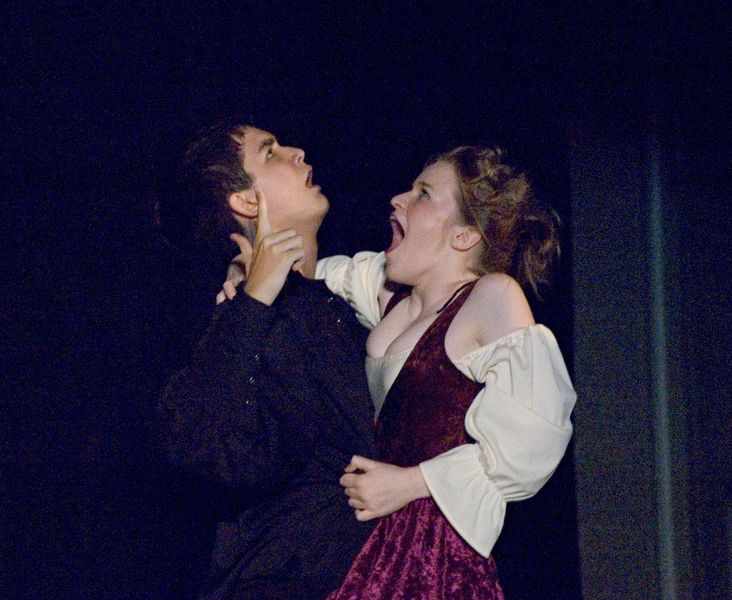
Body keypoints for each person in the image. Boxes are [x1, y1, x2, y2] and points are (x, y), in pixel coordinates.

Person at [314, 146, 577, 599]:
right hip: (370, 539)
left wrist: (409, 482)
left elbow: (531, 445)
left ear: (464, 236)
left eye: (423, 194)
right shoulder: (392, 297)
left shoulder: (491, 296)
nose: (398, 199)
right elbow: (322, 275)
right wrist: (253, 276)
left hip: (434, 552)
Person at [157, 120, 375, 599]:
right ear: (246, 201)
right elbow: (205, 446)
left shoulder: (340, 305)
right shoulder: (231, 319)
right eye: (270, 152)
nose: (297, 152)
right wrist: (254, 299)